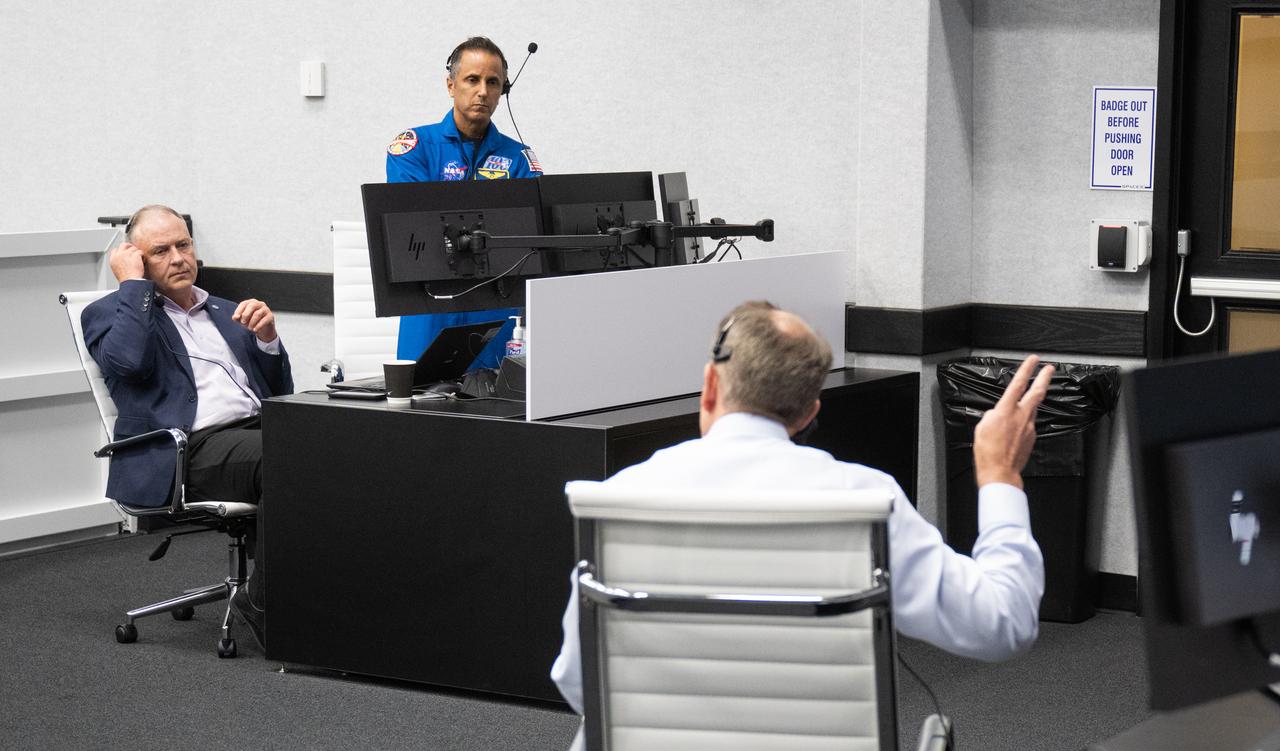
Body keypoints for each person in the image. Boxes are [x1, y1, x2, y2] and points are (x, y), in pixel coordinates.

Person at [551, 300, 1054, 721]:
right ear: (810, 413)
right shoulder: (862, 501)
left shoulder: (621, 497)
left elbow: (576, 678)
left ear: (709, 386)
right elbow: (1003, 624)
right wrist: (1000, 475)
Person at [81, 204, 293, 649]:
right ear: (135, 259)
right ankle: (268, 603)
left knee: (343, 448)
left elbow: (280, 395)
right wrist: (133, 285)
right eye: (160, 251)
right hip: (187, 450)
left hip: (254, 431)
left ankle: (321, 594)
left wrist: (268, 340)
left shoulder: (226, 310)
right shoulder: (109, 315)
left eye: (184, 244)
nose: (178, 258)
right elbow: (129, 363)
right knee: (287, 460)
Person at [385, 36, 544, 369]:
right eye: (472, 80)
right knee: (422, 413)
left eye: (493, 82)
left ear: (503, 91)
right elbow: (419, 231)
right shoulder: (414, 147)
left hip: (496, 316)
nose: (483, 91)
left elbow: (526, 240)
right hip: (429, 312)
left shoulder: (519, 158)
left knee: (496, 412)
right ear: (451, 84)